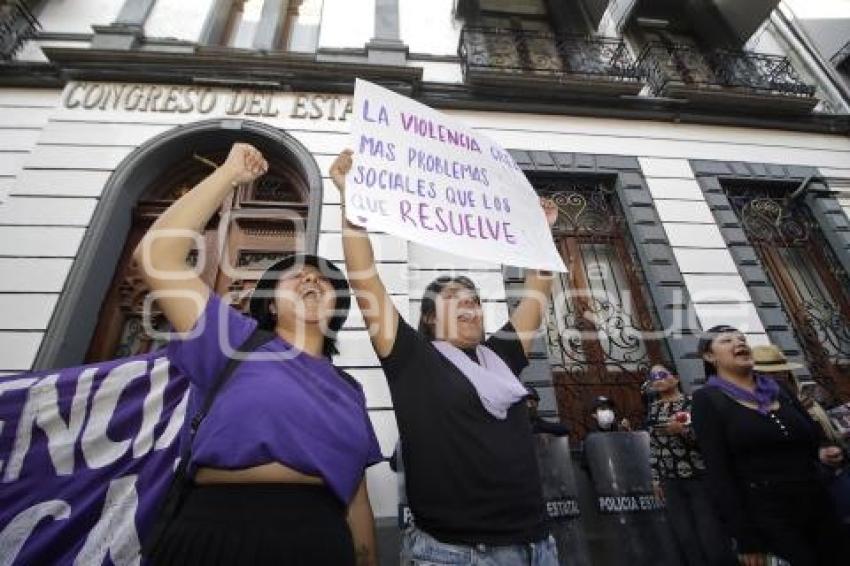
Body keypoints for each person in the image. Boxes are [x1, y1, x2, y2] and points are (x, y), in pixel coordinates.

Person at [136, 143, 383, 565]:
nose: (311, 280)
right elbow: (158, 257)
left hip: (320, 543)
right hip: (215, 536)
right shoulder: (232, 339)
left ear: (337, 308)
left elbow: (358, 500)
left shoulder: (350, 389)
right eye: (296, 277)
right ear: (269, 303)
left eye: (322, 280)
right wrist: (228, 174)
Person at [330, 149, 559, 565]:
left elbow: (538, 291)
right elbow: (364, 277)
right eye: (455, 299)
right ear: (431, 318)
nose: (470, 306)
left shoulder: (501, 354)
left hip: (536, 546)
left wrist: (540, 233)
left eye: (474, 299)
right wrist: (352, 203)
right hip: (455, 554)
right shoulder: (411, 358)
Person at [692, 325, 845, 566]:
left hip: (817, 501)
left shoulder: (779, 389)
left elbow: (812, 436)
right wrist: (744, 537)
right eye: (726, 340)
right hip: (768, 514)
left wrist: (826, 452)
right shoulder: (707, 399)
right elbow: (720, 473)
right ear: (710, 357)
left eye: (742, 339)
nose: (739, 343)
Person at [645, 364, 736, 566]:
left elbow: (709, 440)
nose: (657, 380)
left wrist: (683, 432)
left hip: (698, 477)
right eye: (653, 377)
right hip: (670, 480)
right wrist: (656, 478)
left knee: (710, 534)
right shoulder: (653, 409)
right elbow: (653, 446)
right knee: (685, 537)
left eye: (662, 375)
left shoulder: (693, 403)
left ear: (676, 378)